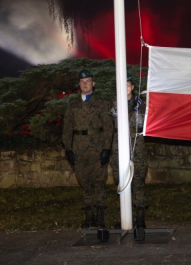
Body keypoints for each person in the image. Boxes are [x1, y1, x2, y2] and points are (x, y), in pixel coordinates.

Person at [63, 69, 113, 229]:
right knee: (84, 182)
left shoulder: (102, 103)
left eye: (88, 81)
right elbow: (67, 127)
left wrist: (107, 148)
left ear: (93, 83)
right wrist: (68, 148)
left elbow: (108, 126)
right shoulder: (73, 104)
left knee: (98, 181)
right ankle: (88, 216)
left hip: (97, 147)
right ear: (79, 85)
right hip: (79, 147)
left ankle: (100, 216)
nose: (85, 84)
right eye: (82, 82)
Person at [110, 74, 148, 228]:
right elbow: (111, 125)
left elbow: (142, 122)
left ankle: (140, 218)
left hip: (135, 145)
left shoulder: (140, 103)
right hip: (119, 146)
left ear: (132, 87)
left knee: (138, 179)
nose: (125, 87)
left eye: (128, 84)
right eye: (122, 84)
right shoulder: (114, 104)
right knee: (121, 180)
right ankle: (126, 217)